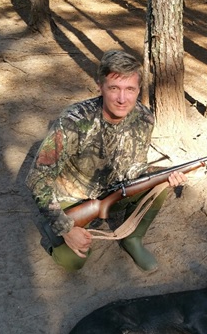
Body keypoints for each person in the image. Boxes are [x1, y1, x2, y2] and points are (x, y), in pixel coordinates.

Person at [26, 49, 187, 273]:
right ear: (100, 87)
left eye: (130, 89)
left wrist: (165, 174)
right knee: (74, 261)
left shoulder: (145, 118)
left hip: (112, 192)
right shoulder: (74, 121)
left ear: (138, 89)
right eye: (114, 88)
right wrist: (65, 227)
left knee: (159, 183)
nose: (122, 98)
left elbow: (136, 168)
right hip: (72, 200)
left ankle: (133, 239)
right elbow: (37, 177)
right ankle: (53, 230)